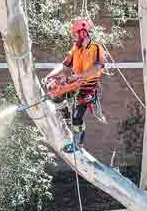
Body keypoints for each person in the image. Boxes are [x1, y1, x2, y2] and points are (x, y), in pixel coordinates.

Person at [44, 18, 107, 153]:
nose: (74, 37)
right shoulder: (75, 49)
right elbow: (64, 65)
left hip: (88, 88)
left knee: (77, 117)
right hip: (75, 83)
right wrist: (50, 76)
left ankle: (78, 144)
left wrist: (80, 76)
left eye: (75, 34)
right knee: (55, 93)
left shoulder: (96, 48)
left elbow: (98, 67)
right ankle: (66, 115)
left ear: (83, 33)